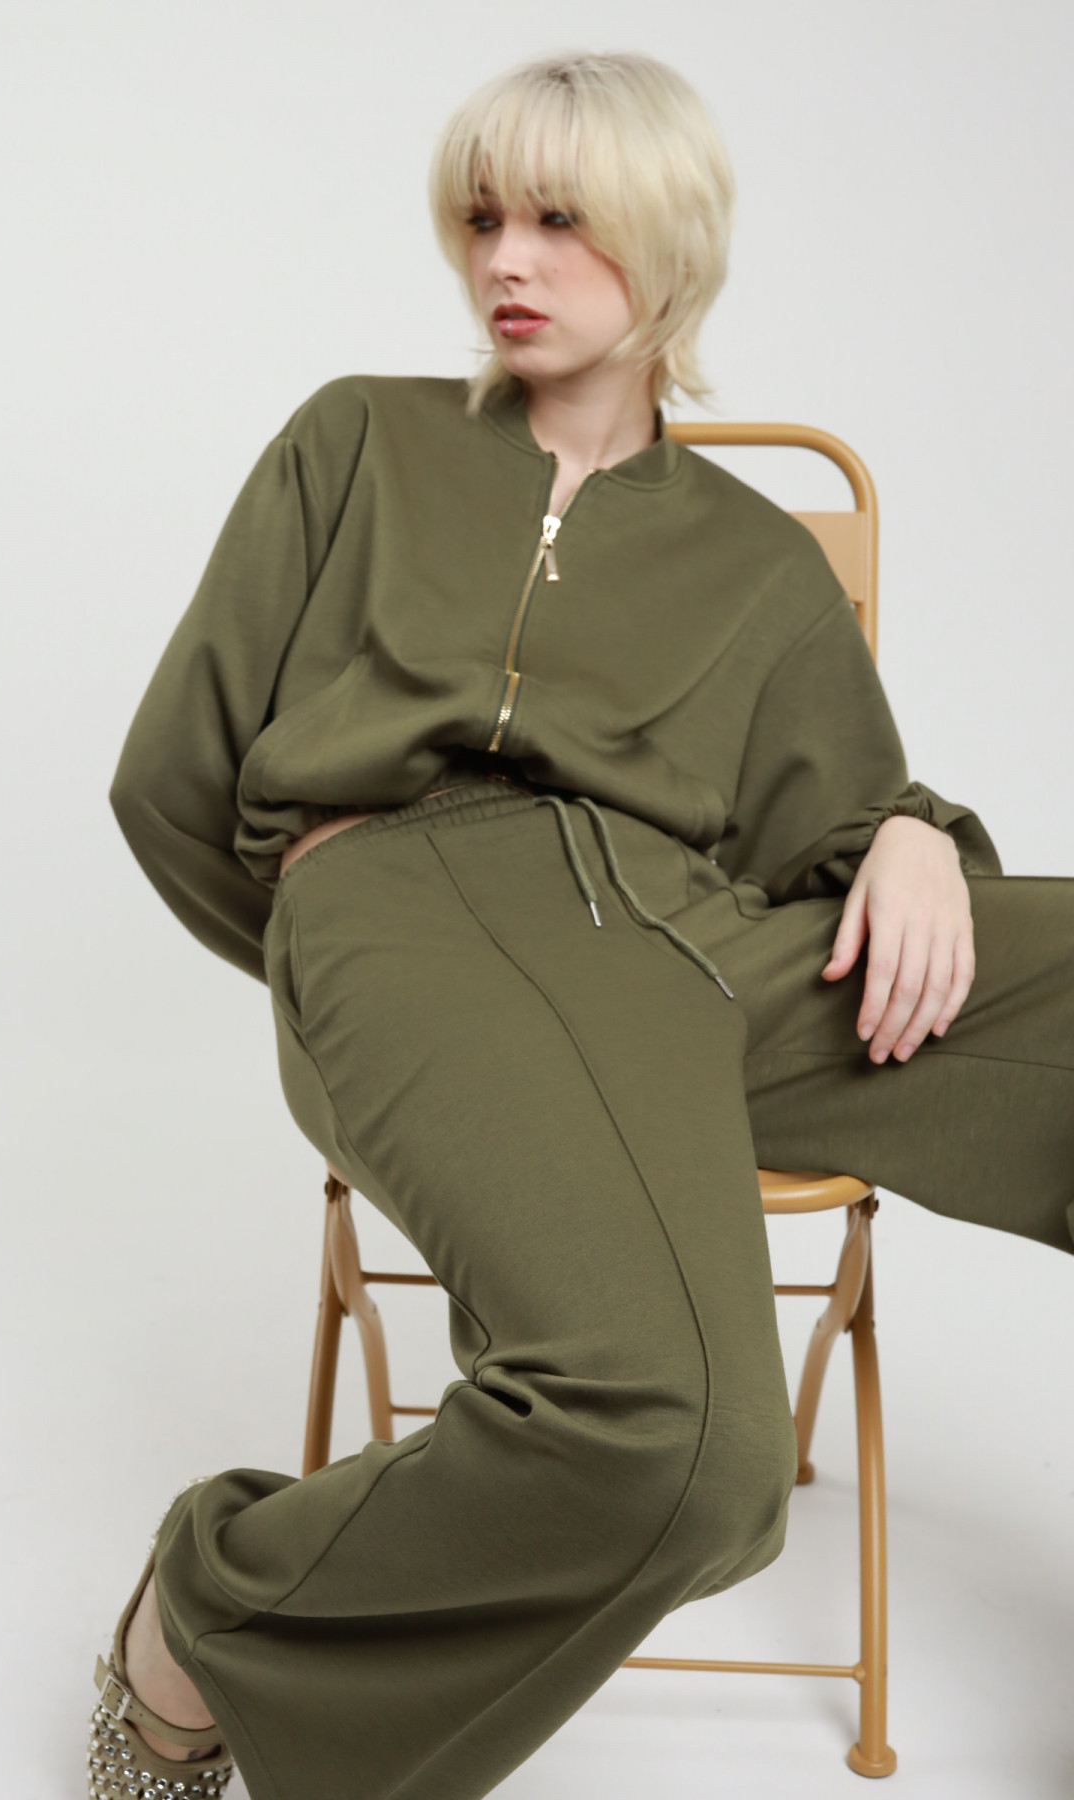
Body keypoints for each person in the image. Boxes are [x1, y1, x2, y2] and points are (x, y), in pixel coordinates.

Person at [87, 49, 1073, 1800]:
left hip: (687, 947)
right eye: (483, 218)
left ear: (667, 243)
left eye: (559, 218)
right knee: (686, 1448)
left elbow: (835, 828)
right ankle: (205, 1610)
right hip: (414, 910)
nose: (505, 260)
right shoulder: (359, 443)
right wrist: (368, 991)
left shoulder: (760, 566)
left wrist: (920, 839)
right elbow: (172, 780)